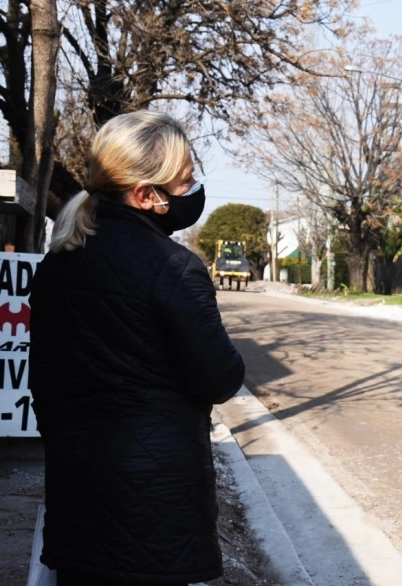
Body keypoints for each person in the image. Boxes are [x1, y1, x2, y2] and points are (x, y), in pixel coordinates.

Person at [30, 111, 246, 586]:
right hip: (154, 516)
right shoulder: (176, 269)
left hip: (77, 494)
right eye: (185, 182)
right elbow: (220, 377)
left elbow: (42, 383)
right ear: (146, 195)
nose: (194, 192)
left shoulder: (57, 265)